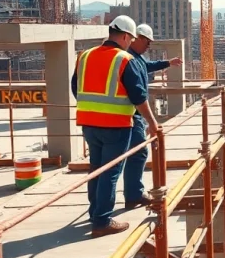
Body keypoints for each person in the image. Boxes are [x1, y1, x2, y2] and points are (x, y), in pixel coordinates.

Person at [71, 15, 160, 238]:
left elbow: (76, 87)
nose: (130, 43)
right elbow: (138, 96)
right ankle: (102, 221)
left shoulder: (85, 55)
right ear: (123, 36)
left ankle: (96, 213)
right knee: (110, 172)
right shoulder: (123, 60)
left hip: (89, 123)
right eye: (130, 39)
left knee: (96, 170)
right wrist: (153, 123)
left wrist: (92, 108)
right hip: (116, 124)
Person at [121, 24, 184, 209]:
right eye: (147, 42)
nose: (148, 46)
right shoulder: (130, 59)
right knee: (137, 153)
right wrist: (152, 121)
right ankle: (132, 195)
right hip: (131, 115)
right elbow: (138, 94)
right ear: (137, 38)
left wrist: (167, 63)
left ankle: (129, 195)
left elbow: (147, 66)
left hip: (131, 116)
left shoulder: (136, 58)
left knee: (131, 155)